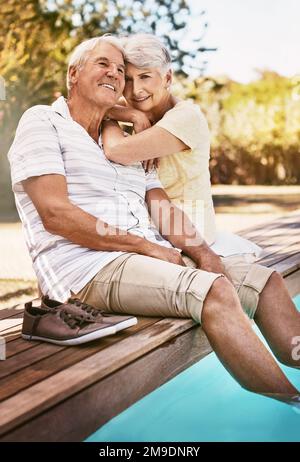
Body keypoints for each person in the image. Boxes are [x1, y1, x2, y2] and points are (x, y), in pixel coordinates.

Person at [7, 35, 300, 403]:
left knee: (264, 282)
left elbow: (162, 207)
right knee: (214, 291)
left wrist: (206, 254)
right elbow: (55, 214)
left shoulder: (122, 142)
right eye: (103, 64)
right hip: (88, 270)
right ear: (73, 73)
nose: (115, 73)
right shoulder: (43, 122)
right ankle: (292, 406)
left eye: (120, 69)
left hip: (146, 259)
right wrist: (145, 246)